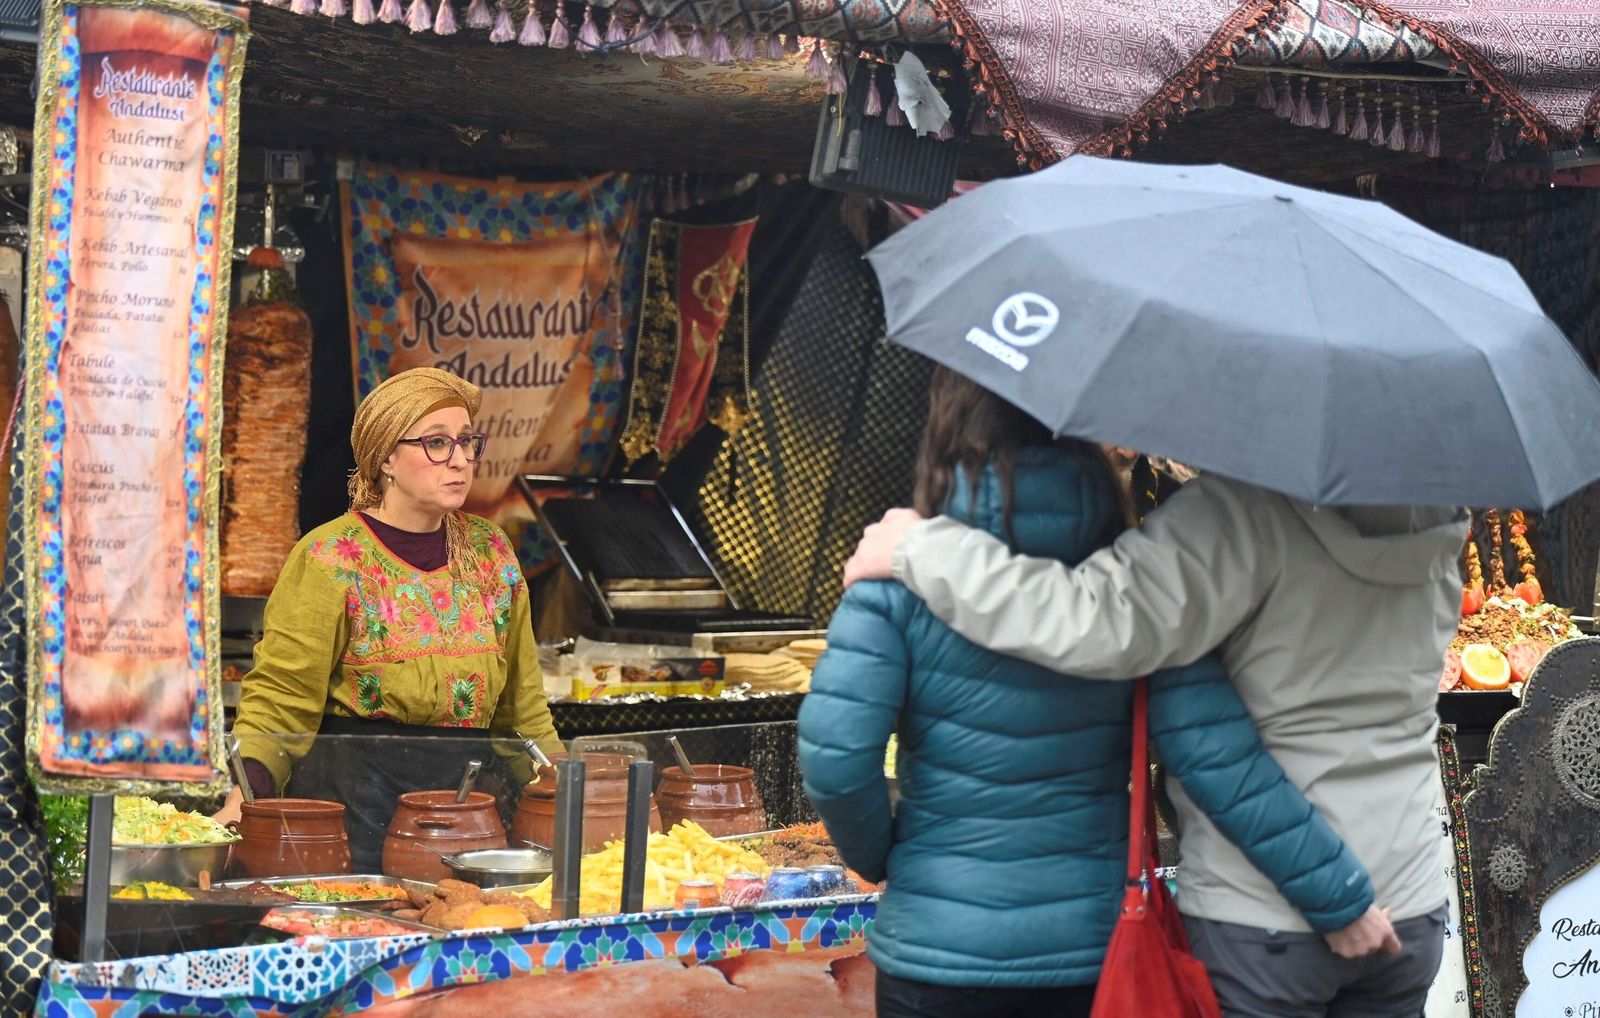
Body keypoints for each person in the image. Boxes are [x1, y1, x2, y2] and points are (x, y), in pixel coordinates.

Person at [800, 369, 1397, 1018]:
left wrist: (892, 856)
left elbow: (835, 758)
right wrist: (1340, 899)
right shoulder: (1135, 583)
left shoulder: (894, 578)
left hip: (937, 954)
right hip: (1091, 958)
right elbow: (1220, 761)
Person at [219, 367, 564, 870]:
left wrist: (563, 788)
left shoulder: (491, 552)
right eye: (437, 443)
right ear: (385, 458)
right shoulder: (331, 556)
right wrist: (243, 795)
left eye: (468, 442)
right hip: (351, 816)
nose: (461, 460)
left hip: (466, 817)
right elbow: (281, 699)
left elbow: (522, 707)